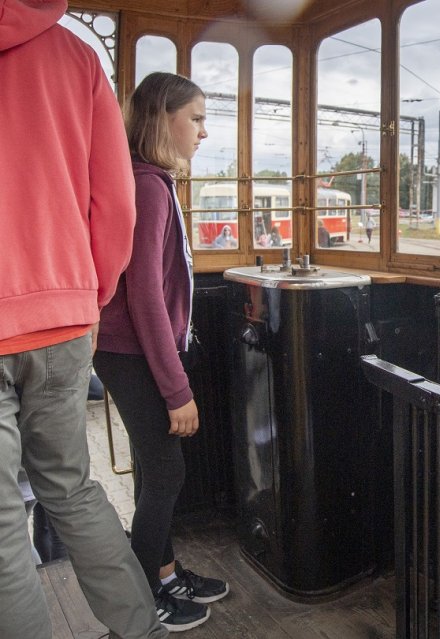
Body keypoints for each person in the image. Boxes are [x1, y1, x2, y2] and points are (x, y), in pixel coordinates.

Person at [0, 2, 168, 637]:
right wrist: (90, 297)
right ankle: (142, 629)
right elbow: (116, 203)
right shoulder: (76, 57)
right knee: (72, 489)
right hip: (66, 319)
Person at [93, 72, 228, 633]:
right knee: (167, 473)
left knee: (156, 467)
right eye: (195, 118)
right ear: (161, 119)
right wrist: (177, 390)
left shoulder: (150, 180)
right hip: (132, 353)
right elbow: (144, 294)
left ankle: (165, 574)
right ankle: (142, 596)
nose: (203, 131)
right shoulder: (148, 186)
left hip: (131, 350)